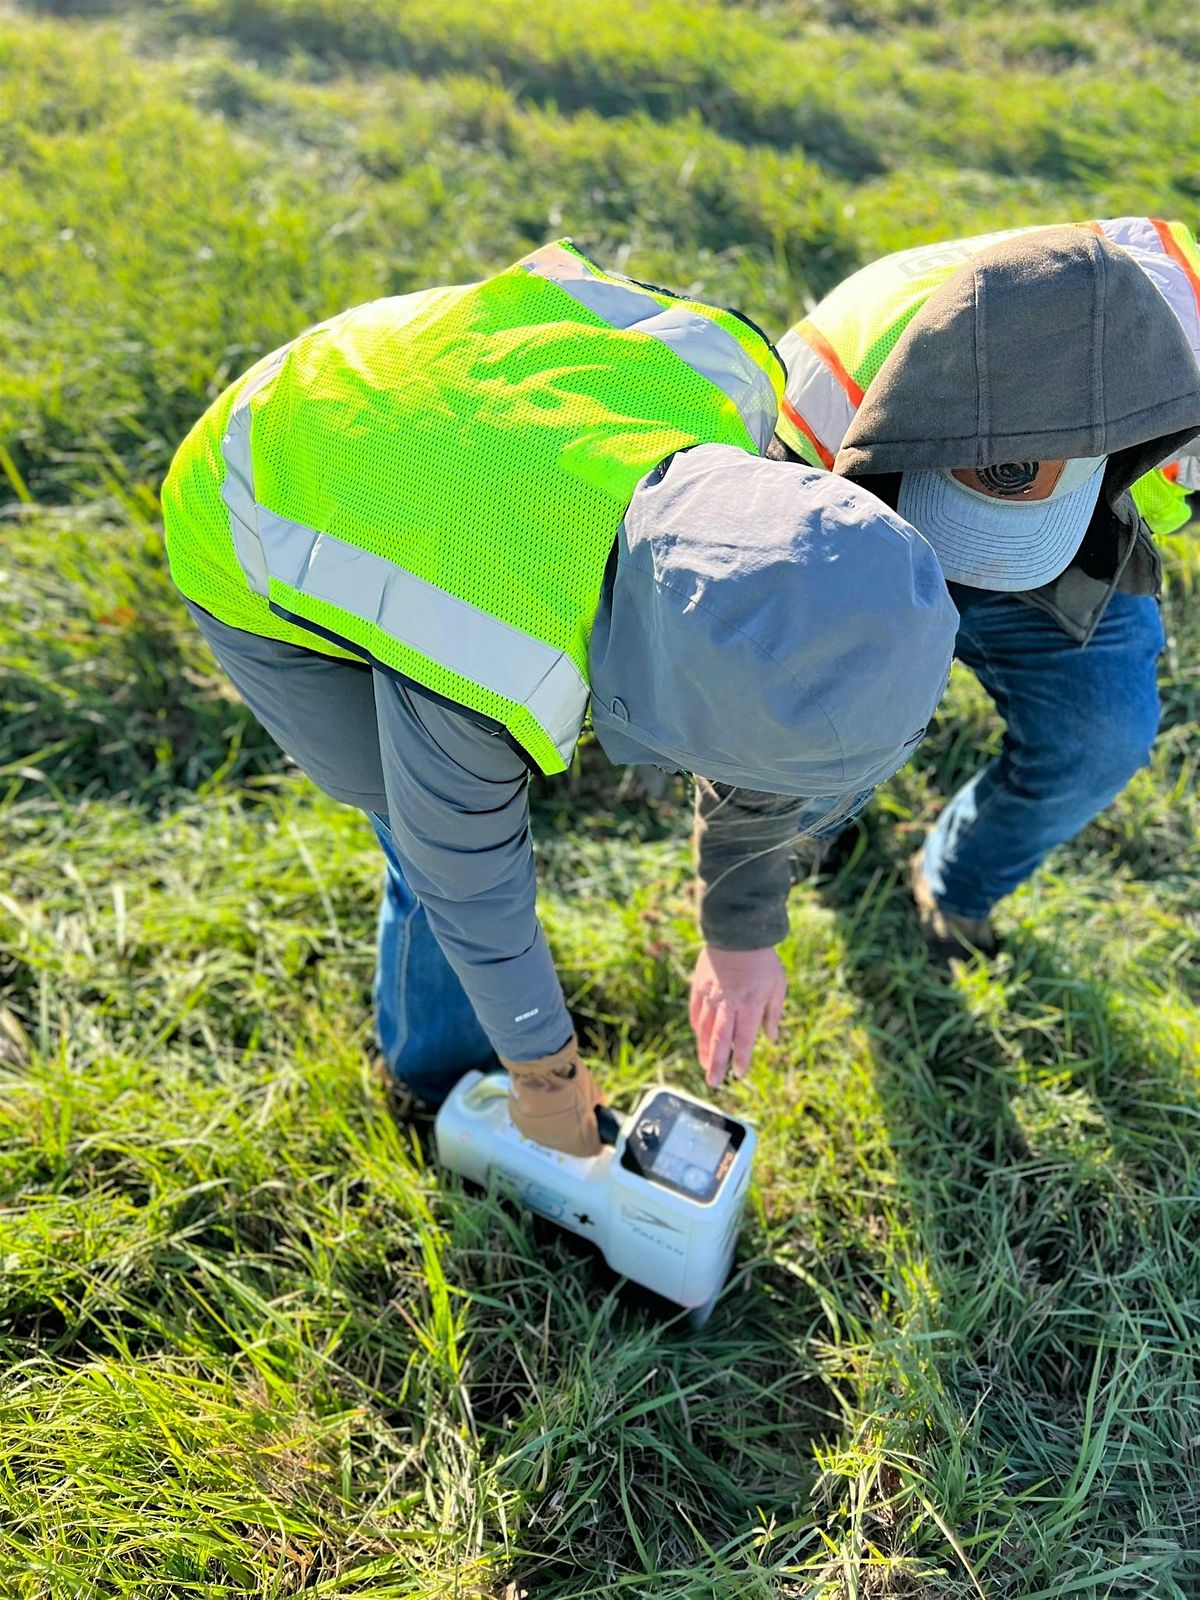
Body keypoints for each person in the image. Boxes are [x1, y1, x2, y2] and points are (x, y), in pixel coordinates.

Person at [161, 239, 957, 1153]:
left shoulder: (738, 451)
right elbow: (465, 868)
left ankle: (480, 1032)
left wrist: (739, 929)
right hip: (256, 490)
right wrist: (546, 1073)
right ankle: (439, 1073)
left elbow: (780, 657)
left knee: (438, 788)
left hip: (421, 401)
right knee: (406, 825)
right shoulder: (488, 644)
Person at [757, 218, 1200, 962]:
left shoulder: (1175, 362)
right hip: (862, 530)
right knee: (823, 709)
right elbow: (772, 614)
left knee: (1102, 735)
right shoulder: (826, 383)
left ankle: (954, 885)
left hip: (1085, 545)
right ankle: (793, 838)